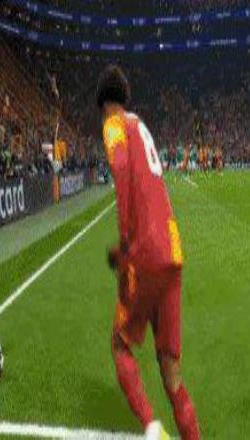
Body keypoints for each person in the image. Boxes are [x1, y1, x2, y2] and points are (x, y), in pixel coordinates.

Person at [96, 65, 200, 440]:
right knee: (171, 374)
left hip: (144, 253)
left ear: (103, 105)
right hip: (172, 251)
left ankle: (151, 427)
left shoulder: (114, 124)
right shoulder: (140, 124)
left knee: (120, 344)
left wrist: (125, 243)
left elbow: (122, 168)